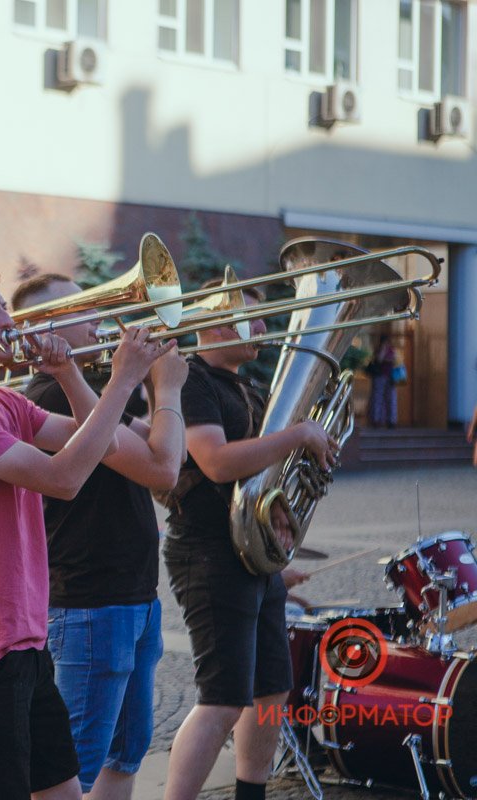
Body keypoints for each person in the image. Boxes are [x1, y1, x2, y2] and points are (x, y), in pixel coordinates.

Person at [0, 267, 167, 800]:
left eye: (3, 306)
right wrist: (122, 378)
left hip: (25, 638)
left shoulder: (7, 403)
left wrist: (72, 373)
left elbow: (106, 444)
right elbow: (66, 478)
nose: (9, 320)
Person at [9, 273, 188, 800]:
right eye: (80, 307)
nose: (98, 315)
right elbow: (163, 469)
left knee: (125, 758)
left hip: (132, 599)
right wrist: (169, 388)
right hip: (89, 606)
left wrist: (141, 387)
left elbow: (158, 454)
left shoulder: (89, 391)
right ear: (42, 330)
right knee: (72, 776)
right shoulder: (49, 394)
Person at [160, 281, 336, 800]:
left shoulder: (247, 387)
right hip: (207, 551)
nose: (264, 329)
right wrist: (299, 434)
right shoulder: (192, 380)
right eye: (254, 320)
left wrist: (280, 530)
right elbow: (214, 461)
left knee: (271, 690)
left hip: (247, 554)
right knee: (221, 700)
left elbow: (263, 478)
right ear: (216, 322)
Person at [367, 334, 398, 429]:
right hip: (379, 377)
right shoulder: (379, 350)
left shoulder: (392, 350)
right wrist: (383, 352)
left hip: (390, 377)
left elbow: (395, 360)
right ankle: (376, 420)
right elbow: (379, 360)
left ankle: (391, 420)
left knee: (391, 399)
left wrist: (388, 358)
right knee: (377, 398)